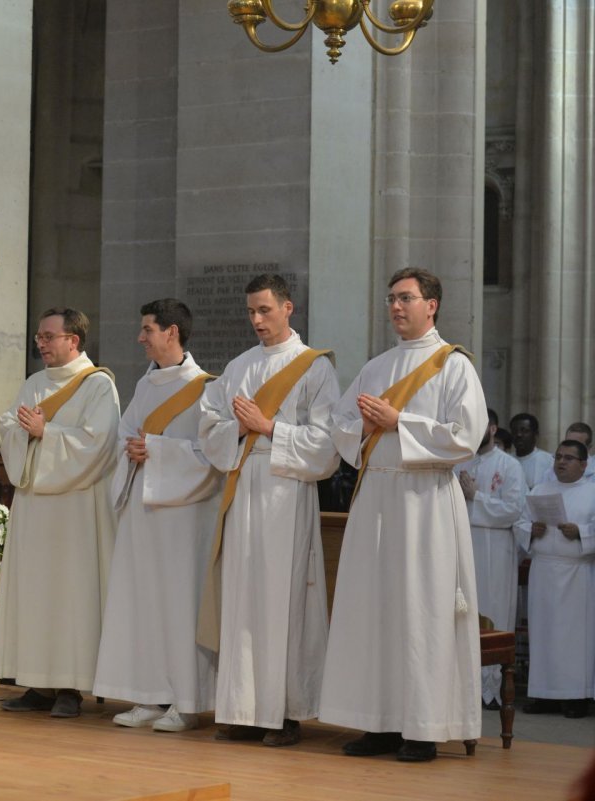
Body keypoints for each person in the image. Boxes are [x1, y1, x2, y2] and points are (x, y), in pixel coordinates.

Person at [320, 267, 487, 763]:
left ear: (431, 305)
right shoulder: (376, 367)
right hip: (376, 499)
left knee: (422, 612)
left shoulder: (453, 366)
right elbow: (340, 425)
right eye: (391, 298)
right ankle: (379, 722)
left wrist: (399, 422)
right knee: (374, 609)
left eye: (406, 298)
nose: (395, 306)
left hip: (426, 499)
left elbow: (466, 436)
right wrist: (369, 429)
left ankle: (422, 727)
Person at [197, 273, 340, 747]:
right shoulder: (238, 366)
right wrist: (238, 431)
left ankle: (283, 713)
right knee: (243, 596)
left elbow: (326, 446)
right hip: (242, 484)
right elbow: (209, 425)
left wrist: (268, 427)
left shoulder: (314, 368)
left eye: (265, 310)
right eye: (251, 312)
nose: (257, 320)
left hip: (287, 488)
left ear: (288, 308)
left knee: (282, 598)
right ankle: (241, 710)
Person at [93, 299, 221, 732]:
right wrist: (132, 451)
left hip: (184, 517)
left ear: (172, 333)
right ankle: (148, 695)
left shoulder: (207, 389)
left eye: (148, 329)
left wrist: (158, 451)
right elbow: (124, 436)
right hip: (144, 511)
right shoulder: (146, 385)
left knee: (179, 606)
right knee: (142, 602)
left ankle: (185, 701)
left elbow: (212, 456)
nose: (140, 337)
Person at [0, 307, 120, 718]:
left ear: (74, 341)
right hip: (35, 507)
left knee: (72, 595)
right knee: (36, 593)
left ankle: (70, 686)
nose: (41, 343)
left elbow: (97, 444)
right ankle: (37, 682)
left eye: (49, 337)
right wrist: (21, 432)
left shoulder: (98, 387)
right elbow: (11, 428)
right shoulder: (34, 383)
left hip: (76, 510)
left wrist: (44, 433)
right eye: (39, 337)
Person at [515, 440, 594, 720]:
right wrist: (531, 529)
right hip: (544, 570)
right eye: (558, 457)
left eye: (569, 458)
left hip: (576, 574)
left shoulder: (591, 491)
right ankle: (544, 694)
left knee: (573, 639)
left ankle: (575, 696)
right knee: (543, 634)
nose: (561, 462)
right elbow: (520, 523)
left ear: (584, 465)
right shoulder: (542, 489)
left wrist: (581, 532)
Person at [454, 407, 527, 708]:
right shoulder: (461, 462)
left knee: (493, 609)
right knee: (464, 612)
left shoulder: (509, 466)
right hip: (464, 542)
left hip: (495, 550)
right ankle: (464, 686)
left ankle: (492, 690)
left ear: (493, 429)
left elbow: (513, 509)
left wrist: (476, 497)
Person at [510, 412, 553, 489]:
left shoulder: (549, 461)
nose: (518, 435)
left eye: (524, 431)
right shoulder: (506, 461)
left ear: (536, 434)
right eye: (515, 431)